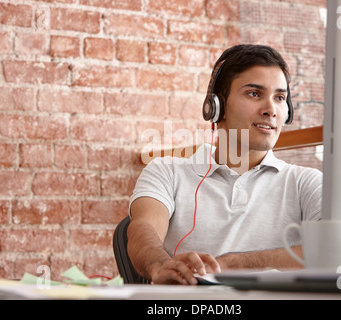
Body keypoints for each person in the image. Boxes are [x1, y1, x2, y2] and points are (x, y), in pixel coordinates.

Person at [127, 44, 322, 285]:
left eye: (280, 98)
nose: (271, 110)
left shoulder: (308, 183)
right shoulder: (166, 171)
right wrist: (160, 265)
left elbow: (336, 254)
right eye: (254, 93)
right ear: (216, 107)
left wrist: (232, 264)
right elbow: (143, 229)